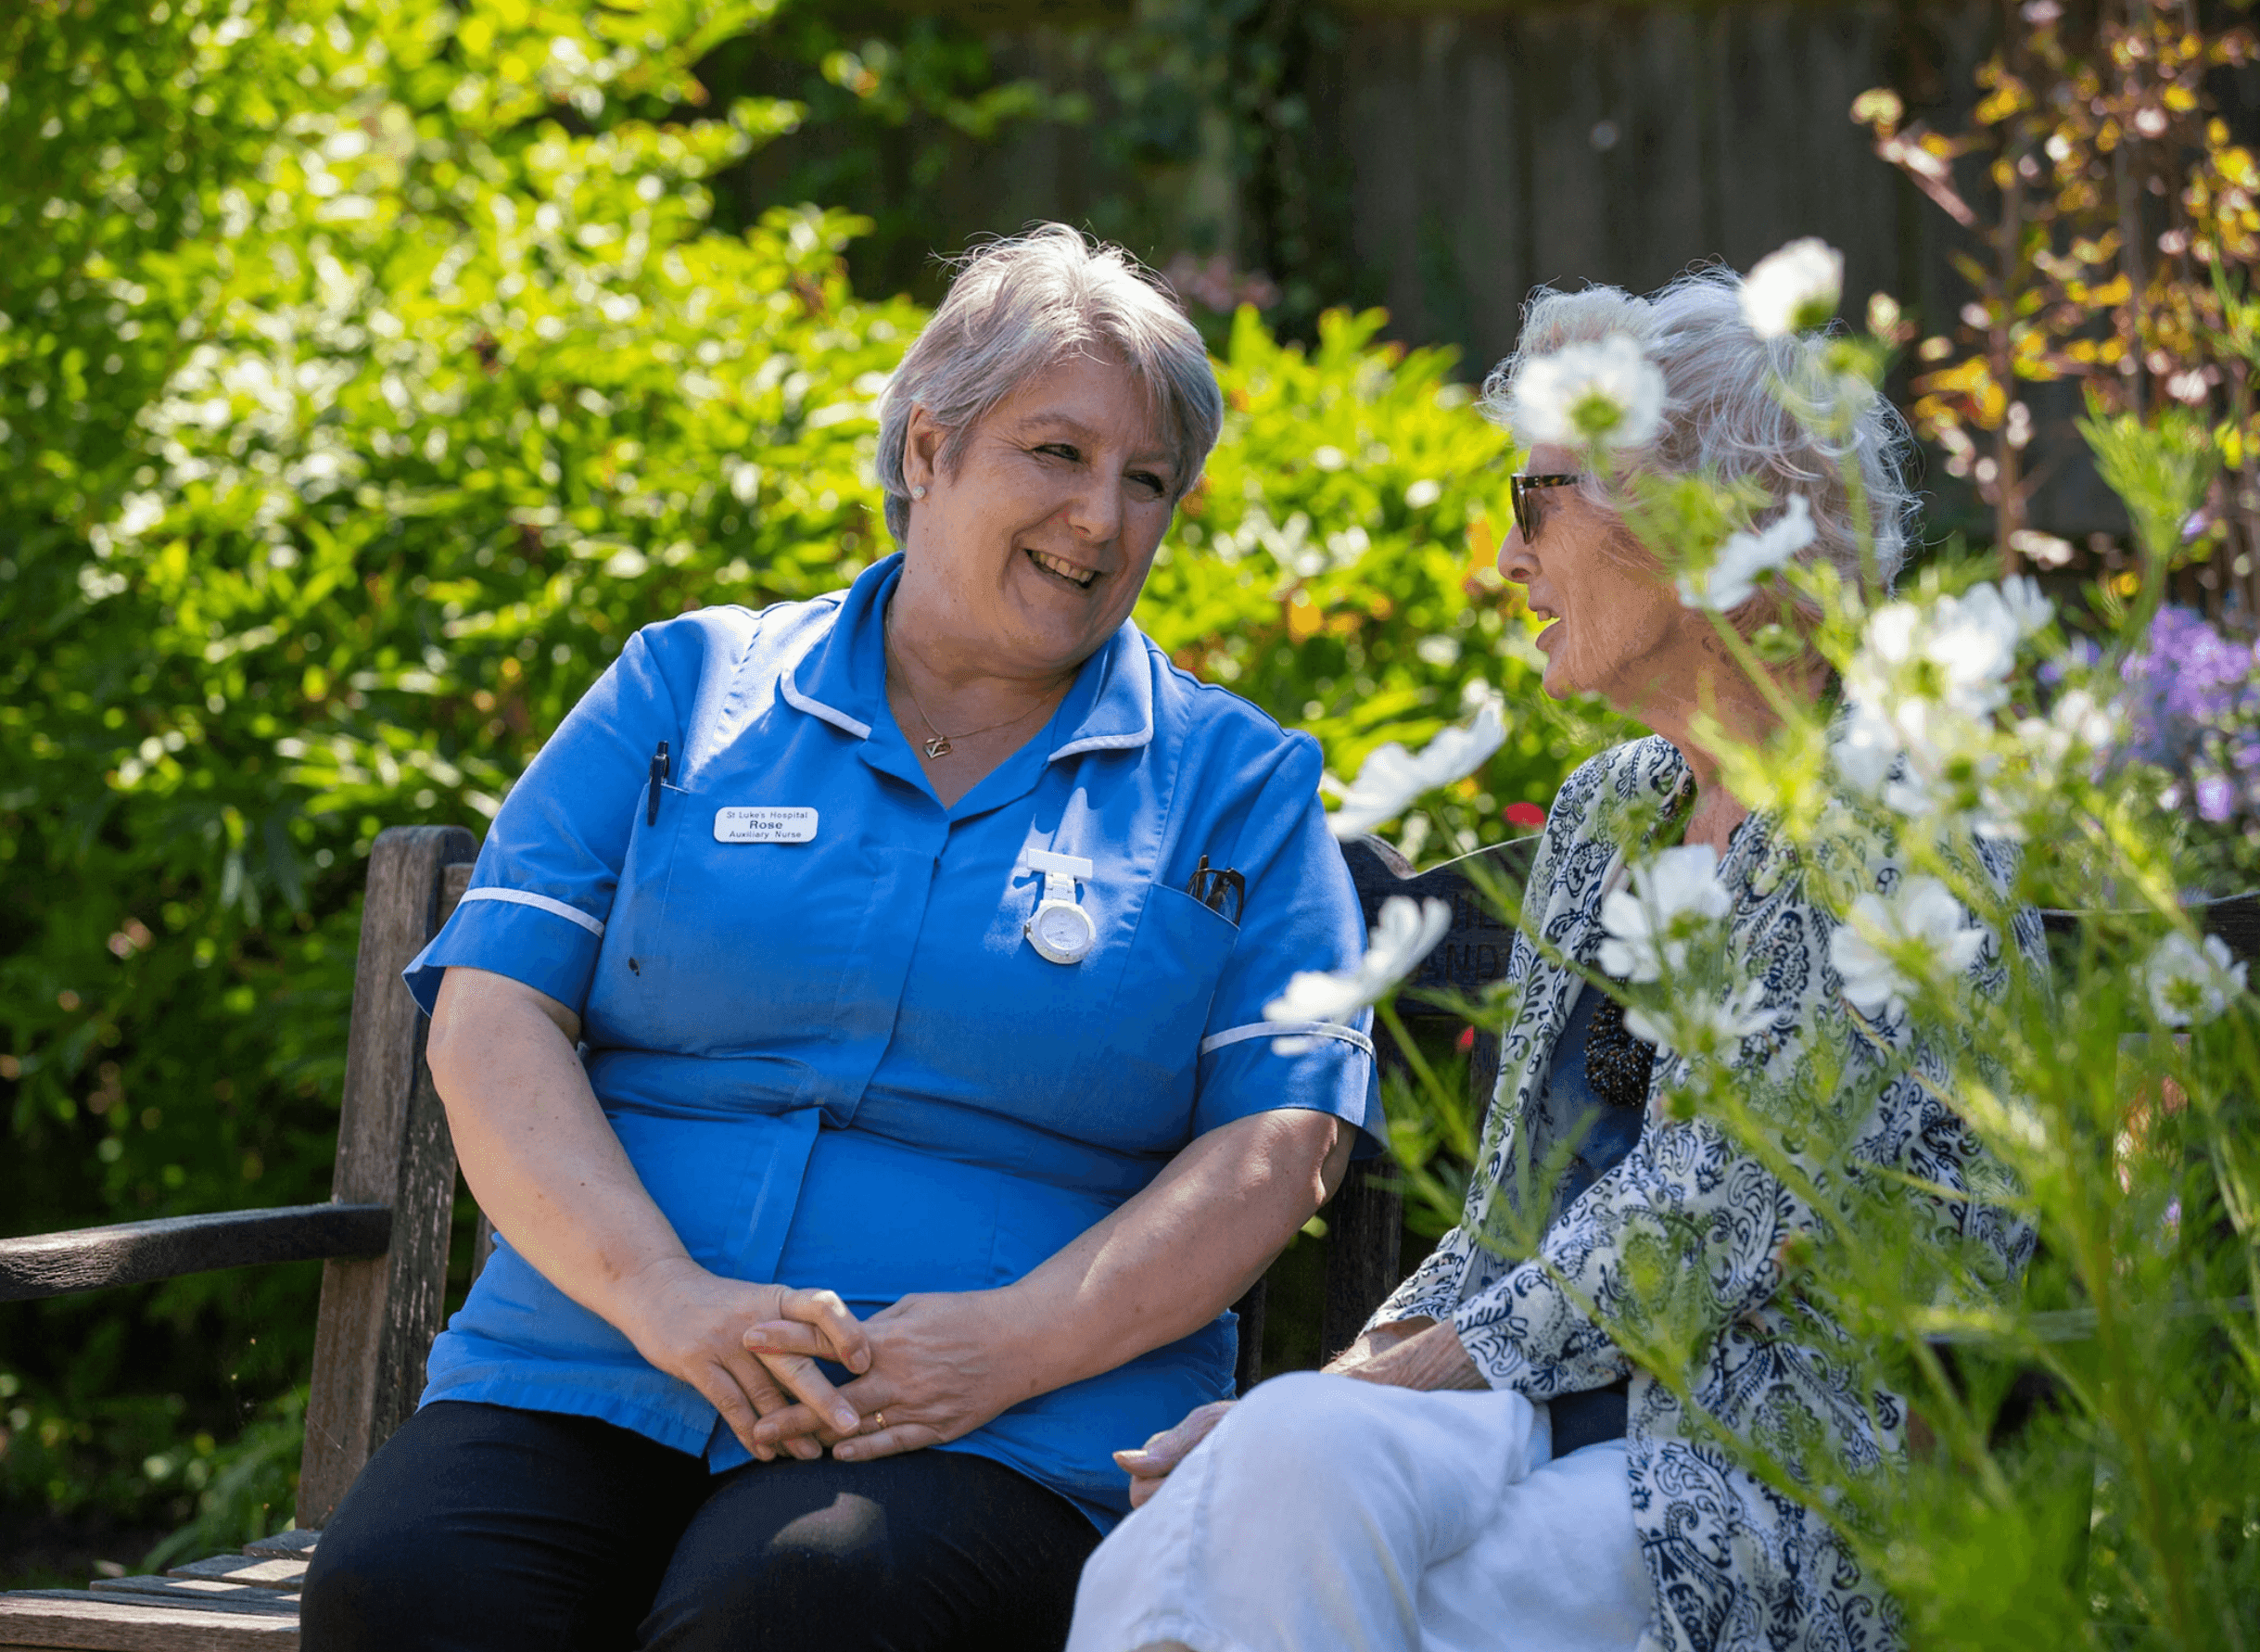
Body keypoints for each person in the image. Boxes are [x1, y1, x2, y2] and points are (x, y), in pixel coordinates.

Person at [301, 224, 1382, 1652]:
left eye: (1146, 485)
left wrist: (1007, 1346)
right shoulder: (685, 689)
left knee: (796, 1608)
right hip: (596, 1362)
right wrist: (671, 1300)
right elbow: (491, 1013)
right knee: (409, 1595)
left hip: (993, 1427)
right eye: (1055, 455)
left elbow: (1279, 1141)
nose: (1101, 522)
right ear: (926, 448)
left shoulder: (1233, 785)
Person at [1066, 271, 2036, 1652]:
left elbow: (1699, 1229)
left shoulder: (1897, 828)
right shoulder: (1612, 814)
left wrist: (1366, 1397)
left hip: (1760, 1469)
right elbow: (1512, 1216)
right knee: (1209, 1517)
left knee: (1291, 1549)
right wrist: (1337, 1390)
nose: (1505, 559)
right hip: (1542, 1403)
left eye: (1539, 500)